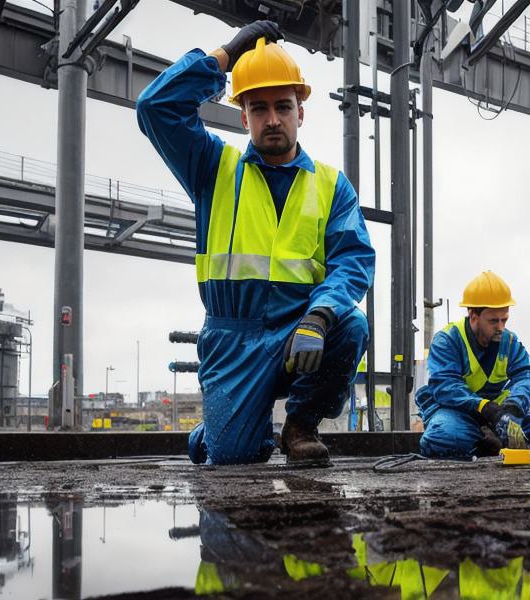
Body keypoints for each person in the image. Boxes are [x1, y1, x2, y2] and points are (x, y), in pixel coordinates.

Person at [137, 21, 374, 465]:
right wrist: (224, 55)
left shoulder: (329, 185)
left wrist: (320, 316)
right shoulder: (212, 167)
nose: (272, 119)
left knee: (352, 325)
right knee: (233, 456)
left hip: (302, 330)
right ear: (242, 115)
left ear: (300, 112)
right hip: (233, 339)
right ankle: (220, 430)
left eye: (283, 107)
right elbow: (154, 108)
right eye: (258, 108)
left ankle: (300, 425)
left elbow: (353, 260)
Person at [415, 271, 530, 459]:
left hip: (495, 414)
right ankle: (484, 444)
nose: (500, 327)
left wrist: (514, 406)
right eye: (493, 321)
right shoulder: (448, 340)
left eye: (504, 319)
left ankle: (488, 443)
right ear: (473, 315)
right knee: (442, 438)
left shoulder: (509, 342)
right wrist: (483, 406)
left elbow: (527, 375)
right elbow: (445, 386)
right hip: (455, 411)